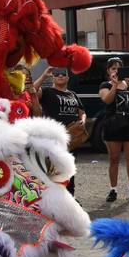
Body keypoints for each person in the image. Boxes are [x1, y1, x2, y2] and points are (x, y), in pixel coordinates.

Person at [36, 64, 87, 195]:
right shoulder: (47, 92)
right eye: (57, 74)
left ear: (68, 78)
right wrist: (44, 75)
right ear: (53, 77)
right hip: (53, 139)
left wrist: (83, 120)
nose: (60, 76)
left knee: (69, 170)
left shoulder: (73, 94)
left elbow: (81, 111)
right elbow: (32, 91)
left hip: (72, 138)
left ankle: (70, 199)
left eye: (63, 74)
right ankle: (52, 200)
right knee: (52, 171)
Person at [99, 57, 129, 202]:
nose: (116, 71)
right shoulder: (105, 84)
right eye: (113, 68)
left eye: (119, 68)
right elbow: (107, 100)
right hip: (113, 124)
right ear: (108, 71)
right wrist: (115, 85)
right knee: (114, 158)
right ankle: (113, 190)